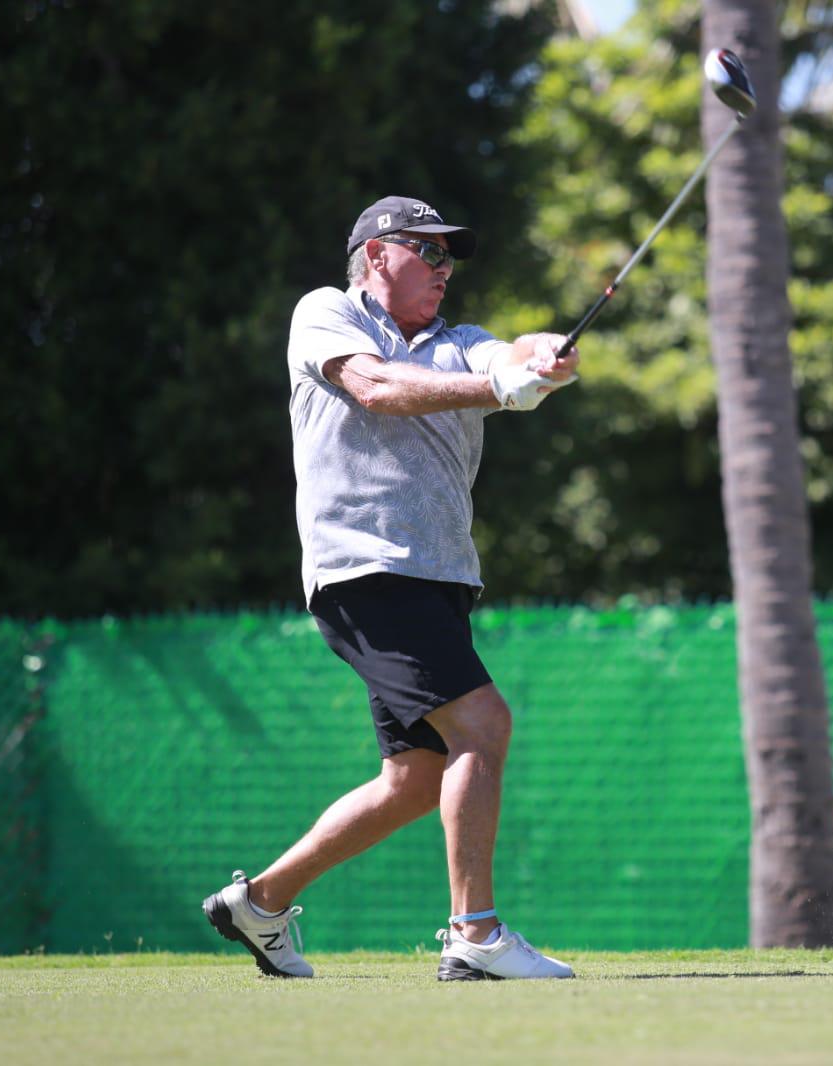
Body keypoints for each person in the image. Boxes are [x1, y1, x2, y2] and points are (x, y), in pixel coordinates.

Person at [202, 195, 578, 981]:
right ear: (377, 254)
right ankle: (474, 935)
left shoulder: (459, 343)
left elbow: (503, 354)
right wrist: (497, 391)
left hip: (440, 580)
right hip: (366, 568)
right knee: (483, 724)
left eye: (451, 257)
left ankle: (260, 902)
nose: (445, 269)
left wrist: (538, 359)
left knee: (417, 778)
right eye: (429, 252)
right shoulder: (327, 314)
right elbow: (374, 387)